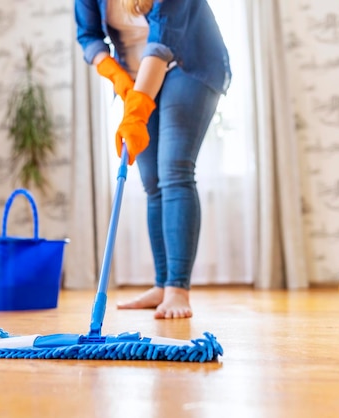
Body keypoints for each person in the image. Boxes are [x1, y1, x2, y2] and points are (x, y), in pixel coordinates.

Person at [75, 0, 231, 319]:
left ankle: (177, 288)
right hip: (135, 76)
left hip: (188, 65)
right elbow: (88, 36)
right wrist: (117, 77)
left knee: (174, 169)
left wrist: (136, 111)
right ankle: (161, 285)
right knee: (151, 182)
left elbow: (162, 43)